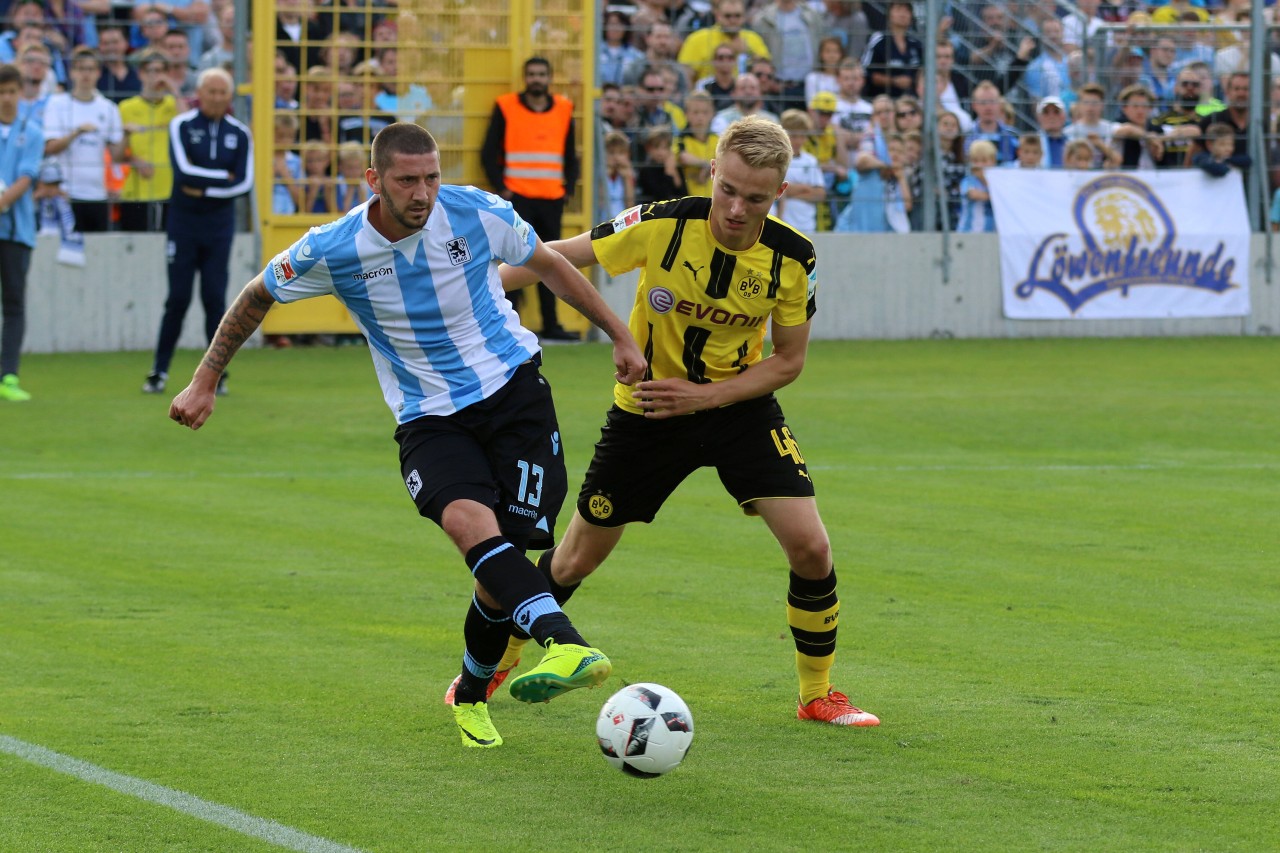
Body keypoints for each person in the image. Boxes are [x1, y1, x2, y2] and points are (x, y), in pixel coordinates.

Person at [167, 122, 646, 749]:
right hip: (428, 416)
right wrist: (205, 379)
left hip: (515, 396)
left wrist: (620, 334)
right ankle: (568, 646)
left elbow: (550, 266)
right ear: (374, 180)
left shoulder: (476, 211)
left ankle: (471, 692)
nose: (423, 193)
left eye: (431, 177)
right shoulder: (333, 246)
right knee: (469, 527)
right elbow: (257, 296)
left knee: (496, 578)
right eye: (406, 180)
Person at [495, 115, 881, 729]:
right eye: (727, 189)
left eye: (754, 197)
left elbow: (789, 361)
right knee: (572, 562)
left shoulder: (792, 256)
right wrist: (471, 289)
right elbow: (552, 259)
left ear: (778, 194)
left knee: (811, 547)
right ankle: (499, 658)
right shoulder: (662, 223)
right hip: (646, 413)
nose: (735, 207)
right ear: (712, 172)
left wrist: (704, 400)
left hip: (738, 410)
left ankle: (817, 694)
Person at [142, 67, 251, 395]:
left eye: (222, 93)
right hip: (183, 223)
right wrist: (223, 180)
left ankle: (217, 375)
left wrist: (204, 188)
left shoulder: (241, 133)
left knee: (215, 299)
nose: (217, 98)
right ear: (199, 95)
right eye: (211, 92)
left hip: (219, 226)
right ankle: (159, 371)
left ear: (229, 97)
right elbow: (184, 172)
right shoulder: (181, 125)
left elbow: (244, 183)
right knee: (177, 298)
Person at [481, 56, 581, 342]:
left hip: (551, 198)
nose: (536, 79)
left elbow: (570, 153)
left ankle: (552, 324)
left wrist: (568, 187)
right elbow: (489, 152)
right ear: (525, 77)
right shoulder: (506, 105)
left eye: (541, 74)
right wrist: (502, 188)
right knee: (513, 260)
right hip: (518, 196)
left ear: (549, 77)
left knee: (551, 260)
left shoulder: (563, 108)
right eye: (532, 74)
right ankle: (509, 322)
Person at [41, 46, 125, 233]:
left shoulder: (109, 108)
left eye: (90, 69)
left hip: (98, 195)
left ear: (98, 73)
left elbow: (117, 156)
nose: (85, 74)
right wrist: (76, 133)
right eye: (80, 69)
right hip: (65, 194)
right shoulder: (57, 104)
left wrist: (125, 135)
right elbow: (50, 147)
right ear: (72, 72)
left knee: (97, 254)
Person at [0, 62, 43, 402]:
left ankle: (8, 376)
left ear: (20, 94)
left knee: (14, 305)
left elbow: (27, 178)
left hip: (17, 233)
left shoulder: (33, 132)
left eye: (11, 92)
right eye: (1, 92)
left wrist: (1, 202)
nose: (6, 98)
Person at [117, 50, 176, 232]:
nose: (157, 76)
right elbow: (116, 155)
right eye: (152, 71)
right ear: (141, 74)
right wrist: (134, 159)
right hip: (136, 192)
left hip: (169, 189)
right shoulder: (126, 108)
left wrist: (174, 90)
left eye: (161, 71)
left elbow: (189, 127)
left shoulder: (174, 105)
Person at [958, 139, 997, 233]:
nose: (980, 165)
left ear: (993, 161)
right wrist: (996, 196)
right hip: (969, 232)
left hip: (992, 233)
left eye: (984, 161)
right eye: (975, 161)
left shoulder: (996, 183)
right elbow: (974, 195)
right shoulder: (968, 181)